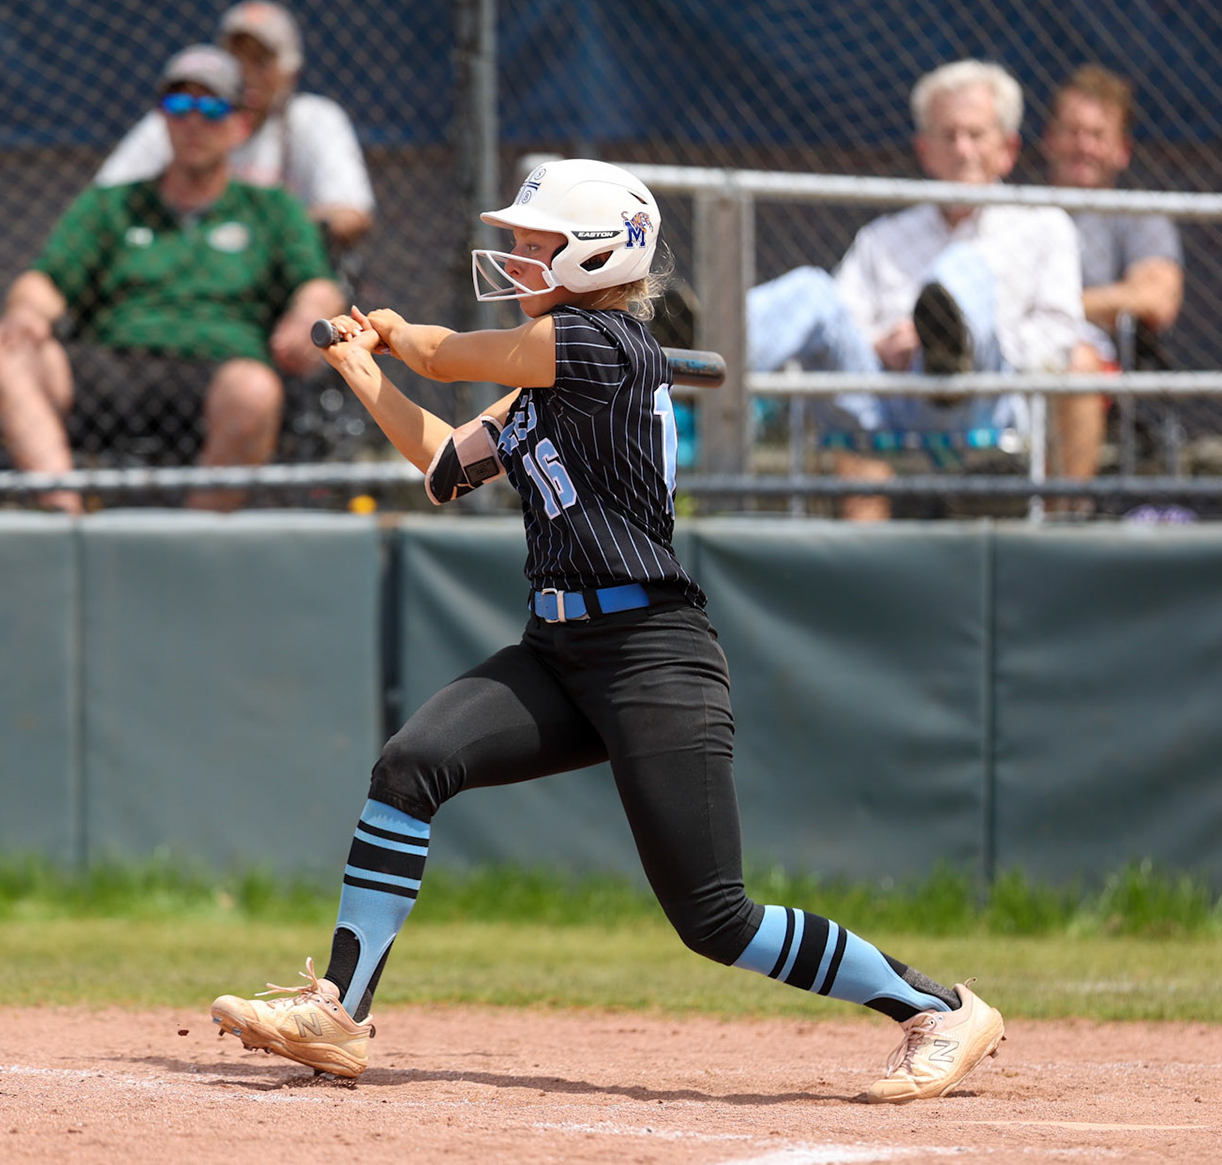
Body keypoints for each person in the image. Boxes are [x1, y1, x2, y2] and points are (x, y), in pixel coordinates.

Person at [206, 158, 1006, 1102]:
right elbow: (443, 465)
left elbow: (445, 354)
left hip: (651, 654)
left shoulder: (595, 345)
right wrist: (361, 371)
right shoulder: (551, 370)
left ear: (595, 255)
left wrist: (398, 336)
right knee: (411, 765)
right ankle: (340, 1011)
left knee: (716, 919)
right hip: (559, 651)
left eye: (537, 244)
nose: (517, 255)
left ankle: (938, 1006)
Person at [0, 45, 344, 514]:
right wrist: (26, 314)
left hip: (219, 370)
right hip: (113, 365)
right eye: (178, 106)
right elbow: (45, 280)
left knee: (254, 391)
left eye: (211, 108)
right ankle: (64, 523)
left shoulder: (272, 209)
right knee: (5, 350)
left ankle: (193, 545)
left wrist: (307, 315)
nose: (193, 122)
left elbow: (318, 285)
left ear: (240, 125)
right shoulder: (110, 204)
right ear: (162, 119)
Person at [746, 59, 1094, 519]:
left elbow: (1058, 336)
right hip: (882, 406)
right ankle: (693, 359)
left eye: (975, 134)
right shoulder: (882, 237)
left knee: (963, 268)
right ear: (925, 150)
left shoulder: (1045, 226)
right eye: (947, 136)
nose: (962, 149)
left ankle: (950, 341)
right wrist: (888, 344)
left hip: (982, 403)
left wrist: (964, 343)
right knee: (813, 289)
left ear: (1007, 149)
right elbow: (844, 327)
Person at [97, 0, 375, 252]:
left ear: (290, 72)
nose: (246, 73)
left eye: (261, 60)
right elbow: (105, 198)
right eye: (236, 58)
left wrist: (257, 233)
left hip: (281, 267)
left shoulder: (314, 119)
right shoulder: (180, 116)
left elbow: (351, 213)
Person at [1042, 65, 1185, 485]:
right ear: (1049, 140)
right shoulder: (1017, 212)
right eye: (1071, 131)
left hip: (1088, 363)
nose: (1082, 146)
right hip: (1009, 353)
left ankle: (1061, 526)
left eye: (1097, 135)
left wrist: (1056, 306)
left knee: (1077, 365)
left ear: (1121, 149)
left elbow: (1158, 298)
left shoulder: (1137, 217)